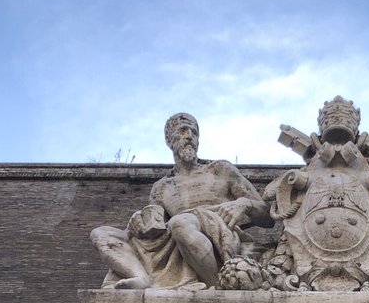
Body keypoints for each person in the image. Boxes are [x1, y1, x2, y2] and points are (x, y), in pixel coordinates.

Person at [91, 113, 271, 289]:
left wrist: (244, 204)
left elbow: (267, 216)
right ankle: (141, 277)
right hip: (177, 240)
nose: (190, 137)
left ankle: (215, 285)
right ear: (169, 140)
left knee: (180, 222)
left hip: (216, 233)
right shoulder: (161, 187)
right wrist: (138, 220)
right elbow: (154, 224)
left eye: (194, 133)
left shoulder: (220, 169)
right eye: (184, 131)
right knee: (101, 234)